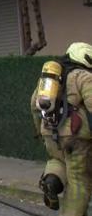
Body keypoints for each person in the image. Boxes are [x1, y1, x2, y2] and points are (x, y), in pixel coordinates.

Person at [31, 42, 92, 215]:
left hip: (50, 134)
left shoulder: (49, 80)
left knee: (59, 160)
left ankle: (51, 181)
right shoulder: (83, 76)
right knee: (79, 181)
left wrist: (39, 131)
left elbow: (34, 106)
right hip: (76, 139)